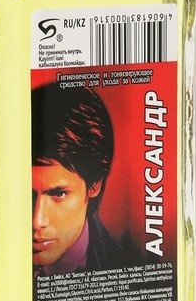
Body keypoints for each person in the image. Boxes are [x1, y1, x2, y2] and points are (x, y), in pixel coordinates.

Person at [32, 82, 127, 275]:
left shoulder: (123, 268)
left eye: (59, 194)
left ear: (94, 185)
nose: (37, 221)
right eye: (28, 194)